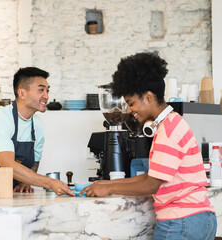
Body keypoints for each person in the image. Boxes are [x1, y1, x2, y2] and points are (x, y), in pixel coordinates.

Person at [81, 52, 217, 239]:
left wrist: (109, 188)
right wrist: (107, 183)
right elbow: (153, 177)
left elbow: (151, 184)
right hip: (199, 218)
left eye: (131, 103)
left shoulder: (168, 130)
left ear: (148, 97)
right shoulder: (172, 123)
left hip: (180, 221)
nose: (130, 110)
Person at [0, 67, 73, 196]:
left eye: (47, 90)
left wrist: (26, 182)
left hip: (10, 190)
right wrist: (50, 183)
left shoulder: (37, 124)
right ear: (22, 93)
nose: (46, 96)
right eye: (41, 90)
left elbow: (35, 161)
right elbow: (7, 165)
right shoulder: (1, 118)